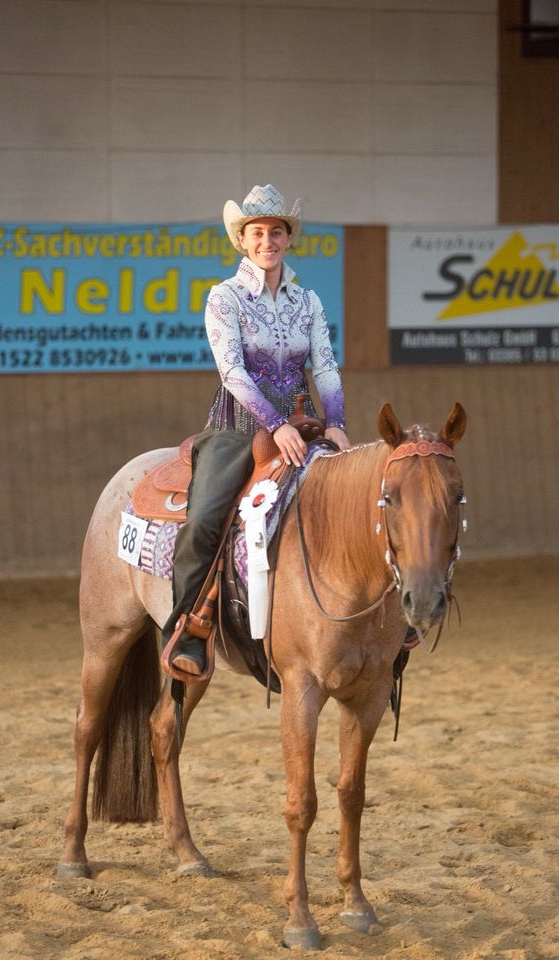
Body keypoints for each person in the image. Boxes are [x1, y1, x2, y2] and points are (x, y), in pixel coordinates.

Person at [162, 184, 350, 676]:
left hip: (303, 426)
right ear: (242, 241)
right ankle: (189, 628)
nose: (268, 240)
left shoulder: (308, 302)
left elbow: (326, 366)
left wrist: (337, 423)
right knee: (204, 520)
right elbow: (233, 373)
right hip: (238, 429)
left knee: (357, 499)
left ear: (289, 240)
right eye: (257, 232)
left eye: (277, 232)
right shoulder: (224, 298)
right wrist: (274, 424)